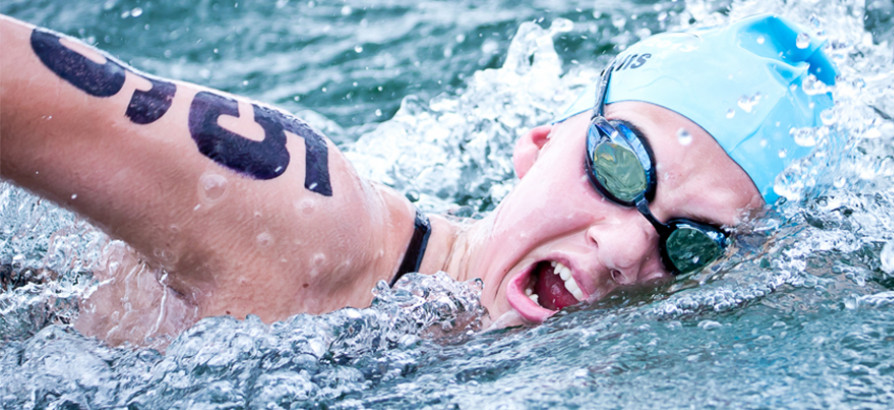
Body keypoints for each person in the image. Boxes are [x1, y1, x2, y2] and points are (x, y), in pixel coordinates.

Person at [0, 13, 836, 345]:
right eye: (621, 165)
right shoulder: (298, 210)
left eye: (690, 245)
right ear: (536, 142)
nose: (624, 246)